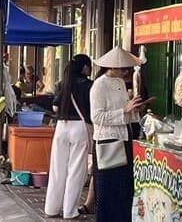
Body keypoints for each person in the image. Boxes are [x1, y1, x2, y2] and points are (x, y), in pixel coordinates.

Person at [90, 46, 150, 221]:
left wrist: (135, 109)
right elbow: (96, 116)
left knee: (124, 190)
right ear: (112, 67)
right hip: (108, 140)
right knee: (108, 191)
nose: (125, 72)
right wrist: (124, 110)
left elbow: (127, 113)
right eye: (123, 68)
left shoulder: (121, 83)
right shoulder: (99, 85)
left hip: (125, 138)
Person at [44, 54, 93, 219]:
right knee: (76, 170)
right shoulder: (88, 85)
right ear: (84, 67)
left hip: (62, 126)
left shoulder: (64, 83)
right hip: (79, 127)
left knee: (57, 169)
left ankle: (51, 208)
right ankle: (70, 211)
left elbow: (55, 107)